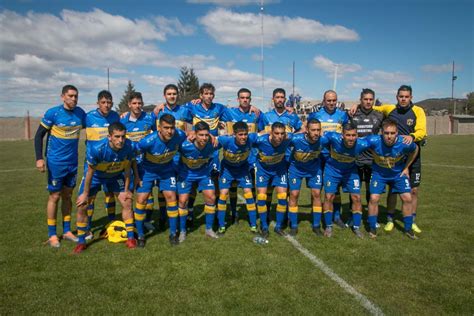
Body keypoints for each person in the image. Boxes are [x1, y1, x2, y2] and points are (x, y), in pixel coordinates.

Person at [349, 85, 427, 234]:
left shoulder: (418, 111)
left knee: (413, 191)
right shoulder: (388, 109)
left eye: (406, 96)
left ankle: (411, 222)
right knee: (385, 191)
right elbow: (370, 106)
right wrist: (356, 105)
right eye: (401, 96)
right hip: (385, 158)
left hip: (407, 152)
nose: (403, 99)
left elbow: (421, 133)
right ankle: (389, 219)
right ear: (397, 97)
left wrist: (412, 137)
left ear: (411, 97)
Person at [34, 85, 86, 247]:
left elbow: (97, 121)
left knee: (68, 196)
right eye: (70, 96)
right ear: (63, 96)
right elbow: (38, 135)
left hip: (72, 162)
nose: (74, 99)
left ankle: (67, 231)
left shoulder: (80, 114)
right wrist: (39, 158)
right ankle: (51, 235)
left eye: (76, 96)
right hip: (56, 162)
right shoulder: (53, 113)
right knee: (54, 196)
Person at [73, 122, 136, 253]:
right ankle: (81, 242)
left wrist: (126, 190)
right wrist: (85, 193)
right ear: (109, 137)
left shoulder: (129, 146)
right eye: (117, 137)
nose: (121, 140)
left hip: (115, 175)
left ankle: (131, 239)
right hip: (96, 176)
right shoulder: (97, 149)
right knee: (82, 205)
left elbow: (127, 167)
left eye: (123, 136)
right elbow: (89, 173)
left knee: (127, 202)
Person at [135, 114, 186, 246]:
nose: (170, 131)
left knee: (171, 197)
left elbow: (191, 135)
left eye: (172, 128)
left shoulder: (179, 135)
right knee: (141, 199)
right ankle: (140, 235)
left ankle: (173, 233)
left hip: (166, 170)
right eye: (166, 128)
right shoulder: (147, 141)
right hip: (148, 171)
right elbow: (134, 154)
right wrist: (137, 174)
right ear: (159, 128)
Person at [366, 119, 419, 239]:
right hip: (379, 174)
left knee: (407, 198)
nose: (389, 136)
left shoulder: (404, 143)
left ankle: (408, 228)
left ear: (397, 133)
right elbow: (357, 143)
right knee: (374, 198)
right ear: (381, 132)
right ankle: (373, 227)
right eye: (386, 133)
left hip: (398, 175)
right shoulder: (373, 140)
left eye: (392, 133)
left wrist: (406, 167)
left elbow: (415, 149)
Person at [308, 90, 349, 228]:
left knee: (335, 189)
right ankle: (316, 215)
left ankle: (336, 216)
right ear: (323, 100)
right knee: (316, 188)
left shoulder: (343, 115)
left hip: (335, 157)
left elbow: (347, 132)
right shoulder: (316, 114)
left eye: (334, 100)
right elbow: (307, 129)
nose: (331, 103)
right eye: (328, 100)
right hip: (318, 156)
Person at [322, 123, 369, 238]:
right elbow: (319, 137)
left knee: (357, 197)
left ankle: (356, 227)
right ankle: (328, 225)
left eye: (354, 135)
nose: (351, 138)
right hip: (332, 171)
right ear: (342, 135)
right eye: (348, 135)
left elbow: (378, 142)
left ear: (357, 135)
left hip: (350, 172)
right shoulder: (332, 137)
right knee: (329, 197)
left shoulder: (362, 144)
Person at [83, 90, 120, 234]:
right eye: (103, 102)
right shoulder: (88, 117)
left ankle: (110, 223)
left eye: (109, 102)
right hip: (93, 164)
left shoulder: (115, 116)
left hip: (111, 164)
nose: (106, 105)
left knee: (109, 194)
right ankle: (87, 227)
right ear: (97, 103)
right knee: (90, 197)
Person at [220, 88, 259, 224]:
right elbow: (212, 109)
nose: (245, 100)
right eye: (242, 97)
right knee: (233, 188)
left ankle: (253, 214)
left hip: (251, 159)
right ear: (238, 99)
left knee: (251, 189)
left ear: (250, 99)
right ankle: (234, 213)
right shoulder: (229, 112)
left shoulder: (256, 114)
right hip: (234, 157)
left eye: (247, 98)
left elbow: (267, 129)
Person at [120, 92, 155, 233]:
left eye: (139, 103)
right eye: (134, 103)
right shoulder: (122, 120)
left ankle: (145, 220)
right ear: (129, 104)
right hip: (128, 164)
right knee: (128, 194)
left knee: (146, 194)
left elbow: (156, 134)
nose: (137, 106)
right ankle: (130, 222)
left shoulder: (149, 118)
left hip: (145, 164)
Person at [177, 121, 219, 239]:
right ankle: (183, 231)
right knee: (183, 201)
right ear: (194, 134)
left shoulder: (213, 144)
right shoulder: (184, 146)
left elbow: (229, 138)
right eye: (201, 135)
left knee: (211, 197)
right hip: (186, 174)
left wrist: (213, 136)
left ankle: (209, 229)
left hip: (203, 174)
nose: (204, 138)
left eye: (206, 135)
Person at [216, 122, 258, 235]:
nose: (244, 137)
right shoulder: (226, 140)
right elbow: (212, 141)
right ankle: (221, 226)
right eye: (240, 134)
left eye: (245, 134)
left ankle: (253, 225)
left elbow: (265, 134)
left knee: (248, 193)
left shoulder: (252, 138)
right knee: (223, 194)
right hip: (227, 170)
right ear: (234, 134)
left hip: (243, 169)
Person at [253, 122, 292, 237]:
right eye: (276, 133)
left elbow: (304, 133)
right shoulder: (260, 140)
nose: (279, 136)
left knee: (282, 197)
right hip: (263, 171)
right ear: (271, 132)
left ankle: (278, 226)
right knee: (261, 197)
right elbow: (246, 138)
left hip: (279, 170)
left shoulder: (287, 139)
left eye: (282, 133)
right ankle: (264, 226)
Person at [287, 118, 324, 236]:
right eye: (313, 130)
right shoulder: (296, 139)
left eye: (318, 130)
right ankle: (293, 225)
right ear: (306, 130)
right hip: (296, 169)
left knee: (317, 194)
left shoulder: (324, 140)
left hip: (314, 169)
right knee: (294, 194)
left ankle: (316, 225)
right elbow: (281, 138)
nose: (316, 133)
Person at [351, 89, 383, 207]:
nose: (368, 102)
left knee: (371, 190)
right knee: (354, 190)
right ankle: (352, 215)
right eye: (365, 99)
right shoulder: (352, 114)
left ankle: (371, 216)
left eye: (371, 99)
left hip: (372, 159)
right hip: (356, 158)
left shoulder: (379, 115)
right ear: (361, 100)